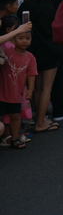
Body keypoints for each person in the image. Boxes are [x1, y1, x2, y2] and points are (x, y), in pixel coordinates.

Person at [17, 0, 63, 133]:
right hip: (49, 49)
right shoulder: (48, 7)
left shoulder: (25, 5)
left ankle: (39, 118)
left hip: (30, 50)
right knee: (46, 88)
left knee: (36, 87)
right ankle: (41, 122)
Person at [0, 21, 36, 149]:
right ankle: (5, 138)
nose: (24, 41)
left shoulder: (31, 57)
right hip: (2, 92)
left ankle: (15, 139)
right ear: (13, 39)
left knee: (15, 117)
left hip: (16, 93)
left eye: (28, 38)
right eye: (21, 38)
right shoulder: (6, 51)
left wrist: (30, 89)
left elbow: (32, 75)